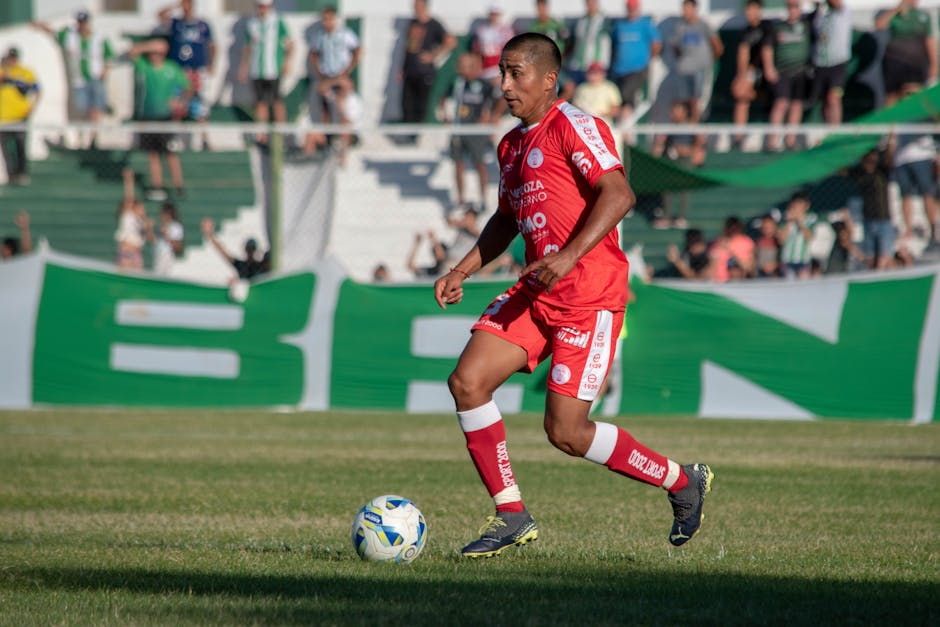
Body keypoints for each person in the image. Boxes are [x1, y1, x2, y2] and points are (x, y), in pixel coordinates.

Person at [433, 33, 713, 558]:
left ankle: (681, 481)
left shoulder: (575, 126)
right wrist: (463, 268)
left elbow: (620, 192)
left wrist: (569, 255)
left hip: (588, 295)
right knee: (467, 382)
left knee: (565, 432)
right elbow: (507, 218)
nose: (505, 83)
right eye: (501, 72)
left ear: (548, 78)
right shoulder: (511, 144)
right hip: (539, 290)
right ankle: (511, 515)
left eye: (516, 73)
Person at [34, 11, 114, 147]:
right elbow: (55, 33)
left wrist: (104, 72)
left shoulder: (99, 38)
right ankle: (81, 137)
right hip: (79, 80)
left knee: (95, 109)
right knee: (81, 109)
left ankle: (94, 137)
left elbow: (108, 57)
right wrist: (41, 26)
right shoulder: (70, 37)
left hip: (95, 78)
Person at [129, 38, 191, 201]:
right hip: (148, 117)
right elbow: (133, 52)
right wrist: (149, 45)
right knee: (153, 154)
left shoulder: (171, 68)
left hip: (166, 118)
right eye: (153, 53)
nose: (155, 56)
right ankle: (158, 186)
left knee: (170, 152)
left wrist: (180, 102)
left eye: (158, 53)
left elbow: (188, 87)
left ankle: (178, 186)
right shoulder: (145, 67)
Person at [441, 52, 498, 212]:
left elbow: (498, 100)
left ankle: (483, 199)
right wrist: (445, 115)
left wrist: (491, 118)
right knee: (458, 165)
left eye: (465, 66)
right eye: (460, 65)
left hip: (476, 131)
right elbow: (443, 97)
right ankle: (461, 200)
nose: (461, 69)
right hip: (459, 129)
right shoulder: (457, 83)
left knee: (479, 164)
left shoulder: (484, 84)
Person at [669, 0, 722, 165]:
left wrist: (705, 63)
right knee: (681, 107)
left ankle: (699, 142)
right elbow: (675, 47)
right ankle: (682, 143)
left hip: (700, 71)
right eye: (683, 8)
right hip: (684, 71)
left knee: (695, 104)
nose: (685, 11)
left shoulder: (703, 25)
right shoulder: (679, 27)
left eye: (688, 8)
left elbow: (718, 47)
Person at [307, 5, 362, 162]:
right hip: (328, 76)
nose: (327, 22)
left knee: (342, 112)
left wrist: (347, 71)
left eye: (329, 18)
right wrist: (319, 73)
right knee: (325, 112)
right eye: (324, 19)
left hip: (340, 75)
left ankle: (343, 147)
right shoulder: (320, 36)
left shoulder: (345, 34)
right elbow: (313, 54)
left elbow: (357, 50)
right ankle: (328, 141)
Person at [161, 0, 215, 148]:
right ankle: (174, 138)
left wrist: (211, 65)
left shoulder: (203, 25)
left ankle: (204, 139)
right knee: (177, 104)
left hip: (196, 71)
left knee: (199, 105)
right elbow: (160, 15)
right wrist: (177, 5)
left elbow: (212, 46)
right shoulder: (176, 24)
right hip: (179, 71)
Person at [239, 0, 293, 145]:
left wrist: (287, 63)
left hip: (273, 69)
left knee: (276, 101)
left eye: (265, 7)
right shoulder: (252, 24)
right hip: (257, 70)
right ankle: (261, 134)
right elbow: (247, 47)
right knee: (260, 102)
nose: (262, 9)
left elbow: (290, 44)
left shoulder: (277, 21)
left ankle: (281, 133)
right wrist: (244, 67)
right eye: (260, 6)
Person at [763, 0, 812, 151]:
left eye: (796, 7)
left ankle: (790, 140)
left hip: (800, 72)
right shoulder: (778, 27)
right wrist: (769, 68)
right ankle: (773, 140)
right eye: (790, 7)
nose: (793, 10)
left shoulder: (806, 26)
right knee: (781, 103)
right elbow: (767, 48)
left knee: (796, 105)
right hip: (783, 72)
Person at [400, 0, 456, 128]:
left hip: (425, 72)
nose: (415, 8)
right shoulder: (412, 23)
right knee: (407, 105)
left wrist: (433, 56)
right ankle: (407, 134)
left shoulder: (434, 24)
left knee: (421, 106)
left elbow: (451, 41)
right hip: (410, 71)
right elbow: (409, 48)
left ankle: (417, 135)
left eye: (418, 6)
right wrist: (403, 68)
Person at [608, 0, 661, 126]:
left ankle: (623, 127)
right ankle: (620, 128)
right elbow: (614, 45)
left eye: (633, 8)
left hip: (637, 69)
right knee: (617, 98)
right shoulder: (620, 25)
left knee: (628, 97)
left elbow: (657, 44)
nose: (631, 11)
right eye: (629, 8)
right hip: (619, 69)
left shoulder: (645, 24)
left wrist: (647, 60)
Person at [876, 0, 937, 107]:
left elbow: (930, 41)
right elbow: (879, 24)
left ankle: (913, 120)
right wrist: (897, 9)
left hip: (915, 62)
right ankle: (891, 120)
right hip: (894, 61)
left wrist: (934, 64)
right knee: (892, 95)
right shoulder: (894, 14)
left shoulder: (923, 16)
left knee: (913, 93)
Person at [846, 140, 896, 269]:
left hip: (884, 220)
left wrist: (891, 141)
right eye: (868, 158)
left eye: (874, 157)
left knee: (886, 257)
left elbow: (889, 158)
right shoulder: (860, 175)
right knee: (871, 258)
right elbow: (843, 170)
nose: (871, 160)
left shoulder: (882, 173)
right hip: (868, 220)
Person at [731, 0, 772, 149]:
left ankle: (773, 140)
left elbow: (768, 50)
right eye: (747, 10)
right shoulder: (745, 32)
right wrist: (742, 76)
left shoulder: (767, 27)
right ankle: (738, 137)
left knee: (777, 97)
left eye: (752, 9)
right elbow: (743, 52)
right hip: (752, 73)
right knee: (740, 95)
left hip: (771, 72)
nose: (749, 13)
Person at [0, 47, 40, 186]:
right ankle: (10, 175)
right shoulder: (2, 72)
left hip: (19, 116)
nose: (12, 61)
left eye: (14, 58)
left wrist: (32, 108)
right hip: (3, 118)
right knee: (6, 150)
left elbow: (35, 89)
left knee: (20, 146)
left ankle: (22, 173)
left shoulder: (25, 72)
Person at [893, 131, 940, 245]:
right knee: (905, 195)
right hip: (901, 158)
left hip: (922, 156)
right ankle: (908, 230)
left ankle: (933, 228)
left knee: (928, 194)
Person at [811, 0, 852, 125]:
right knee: (823, 99)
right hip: (820, 63)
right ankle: (828, 129)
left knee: (833, 98)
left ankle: (835, 129)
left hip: (837, 63)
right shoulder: (821, 14)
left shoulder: (843, 12)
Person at [201, 217, 270, 280]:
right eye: (249, 249)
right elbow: (224, 253)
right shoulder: (242, 265)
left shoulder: (260, 266)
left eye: (252, 249)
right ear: (245, 250)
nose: (250, 252)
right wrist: (210, 235)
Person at [567, 0, 611, 90]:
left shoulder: (605, 20)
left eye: (593, 2)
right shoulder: (581, 21)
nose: (590, 5)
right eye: (588, 2)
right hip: (579, 66)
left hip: (596, 68)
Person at [115, 168, 152, 271]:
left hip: (137, 253)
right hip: (126, 252)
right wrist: (129, 180)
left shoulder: (142, 222)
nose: (142, 210)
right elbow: (129, 198)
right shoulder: (128, 216)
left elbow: (148, 240)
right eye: (140, 207)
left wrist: (148, 228)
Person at [471, 5, 515, 85]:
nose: (494, 16)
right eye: (492, 14)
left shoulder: (507, 31)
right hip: (485, 70)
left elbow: (510, 54)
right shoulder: (482, 30)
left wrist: (503, 72)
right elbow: (477, 52)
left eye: (496, 14)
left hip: (498, 71)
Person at [572, 61, 622, 130]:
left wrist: (601, 116)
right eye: (591, 73)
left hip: (604, 123)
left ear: (603, 74)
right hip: (584, 124)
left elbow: (616, 108)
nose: (593, 76)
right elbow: (575, 106)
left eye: (596, 73)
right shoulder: (582, 88)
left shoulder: (610, 87)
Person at [777, 191, 815, 279]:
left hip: (803, 260)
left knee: (804, 285)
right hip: (787, 260)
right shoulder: (785, 220)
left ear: (806, 206)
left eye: (799, 203)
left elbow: (809, 237)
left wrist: (799, 221)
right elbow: (781, 240)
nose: (796, 206)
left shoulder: (810, 219)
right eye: (794, 203)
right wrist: (789, 222)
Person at [709, 216, 755, 282]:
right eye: (730, 227)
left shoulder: (746, 242)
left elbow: (749, 267)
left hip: (738, 283)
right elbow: (712, 264)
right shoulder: (718, 242)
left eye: (735, 227)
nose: (732, 229)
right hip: (718, 283)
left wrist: (729, 250)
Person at [153, 202, 184, 276]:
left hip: (168, 256)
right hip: (157, 255)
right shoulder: (160, 225)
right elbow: (153, 241)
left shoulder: (176, 226)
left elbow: (178, 247)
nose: (162, 215)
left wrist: (166, 235)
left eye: (164, 213)